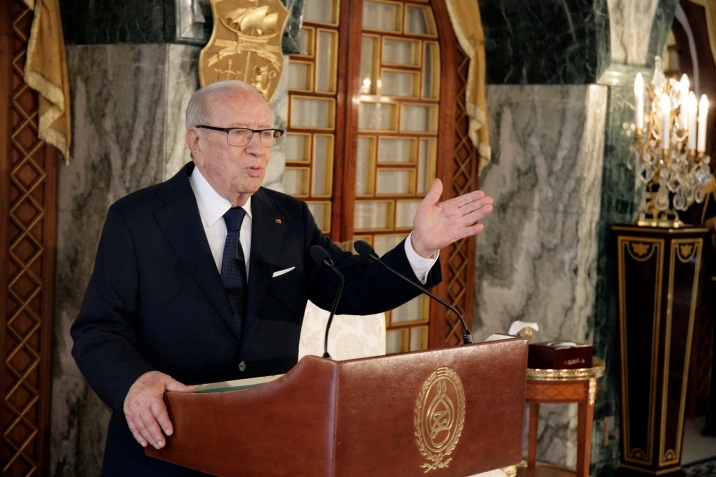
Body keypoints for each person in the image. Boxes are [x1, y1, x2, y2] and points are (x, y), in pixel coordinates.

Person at [71, 80, 494, 476]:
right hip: (168, 444)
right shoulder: (137, 219)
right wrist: (134, 382)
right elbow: (98, 330)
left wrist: (419, 247)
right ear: (196, 141)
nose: (258, 149)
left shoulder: (289, 216)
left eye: (267, 133)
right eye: (240, 133)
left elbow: (352, 288)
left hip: (269, 443)